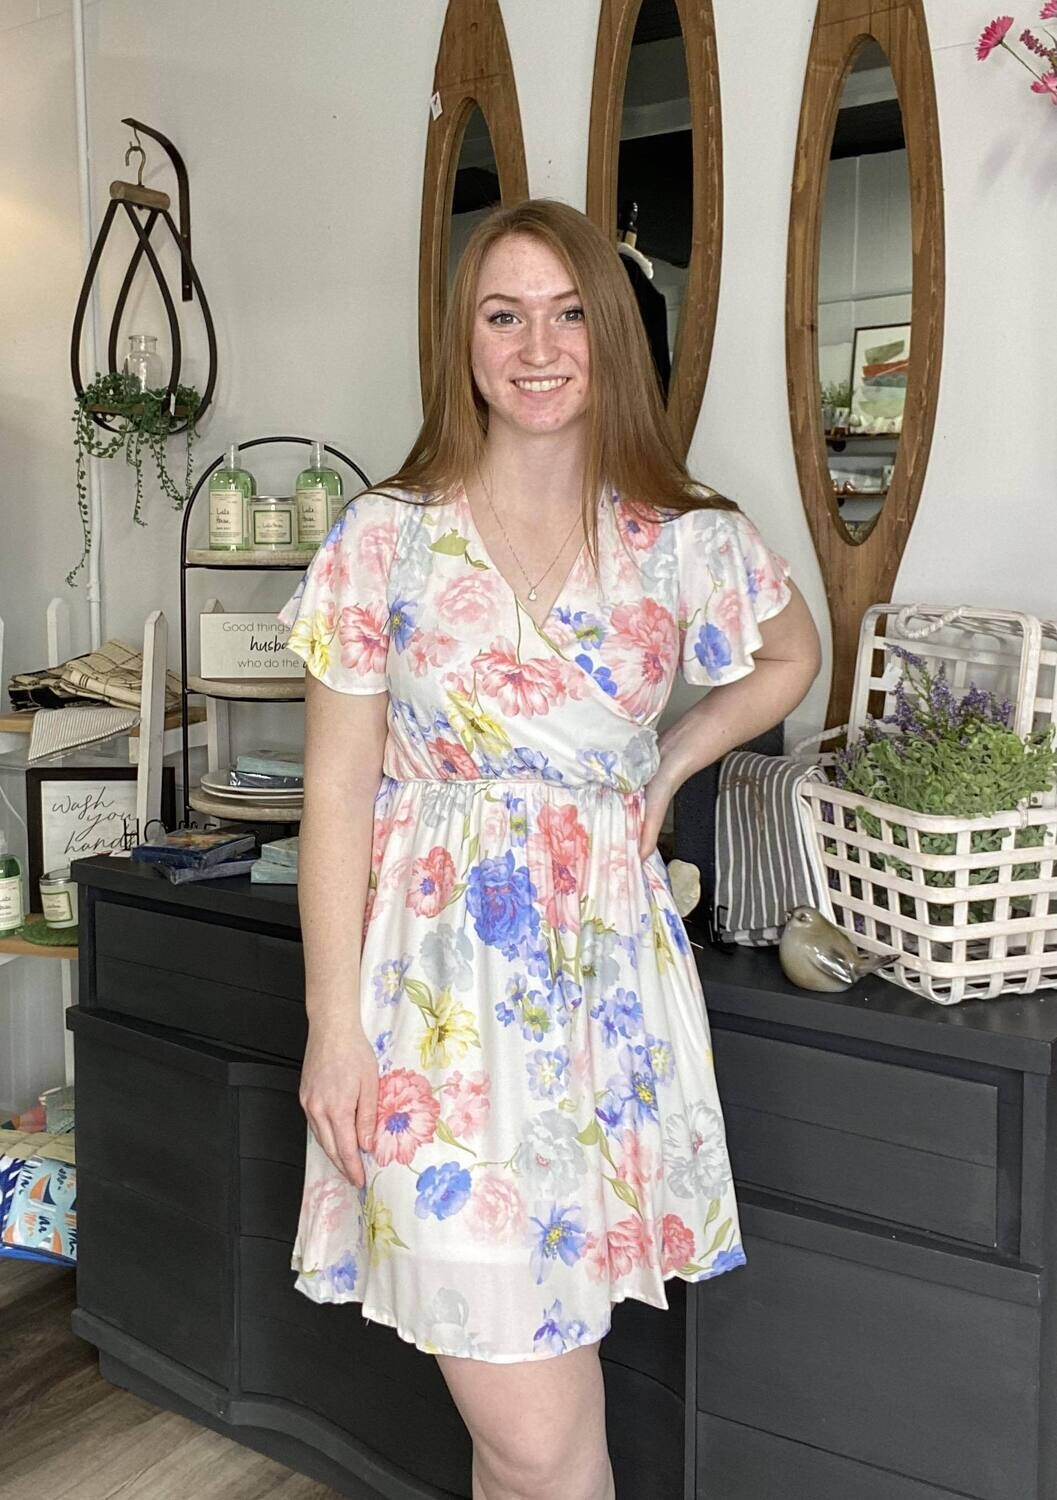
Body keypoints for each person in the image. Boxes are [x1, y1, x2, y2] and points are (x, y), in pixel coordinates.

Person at [278, 197, 821, 1500]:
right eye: (503, 313)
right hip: (429, 1018)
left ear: (614, 336)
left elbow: (790, 655)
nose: (537, 344)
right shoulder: (385, 537)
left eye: (570, 312)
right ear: (463, 342)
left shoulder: (679, 535)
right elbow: (336, 793)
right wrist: (331, 1030)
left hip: (600, 1006)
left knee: (524, 1422)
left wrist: (673, 759)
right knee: (528, 1421)